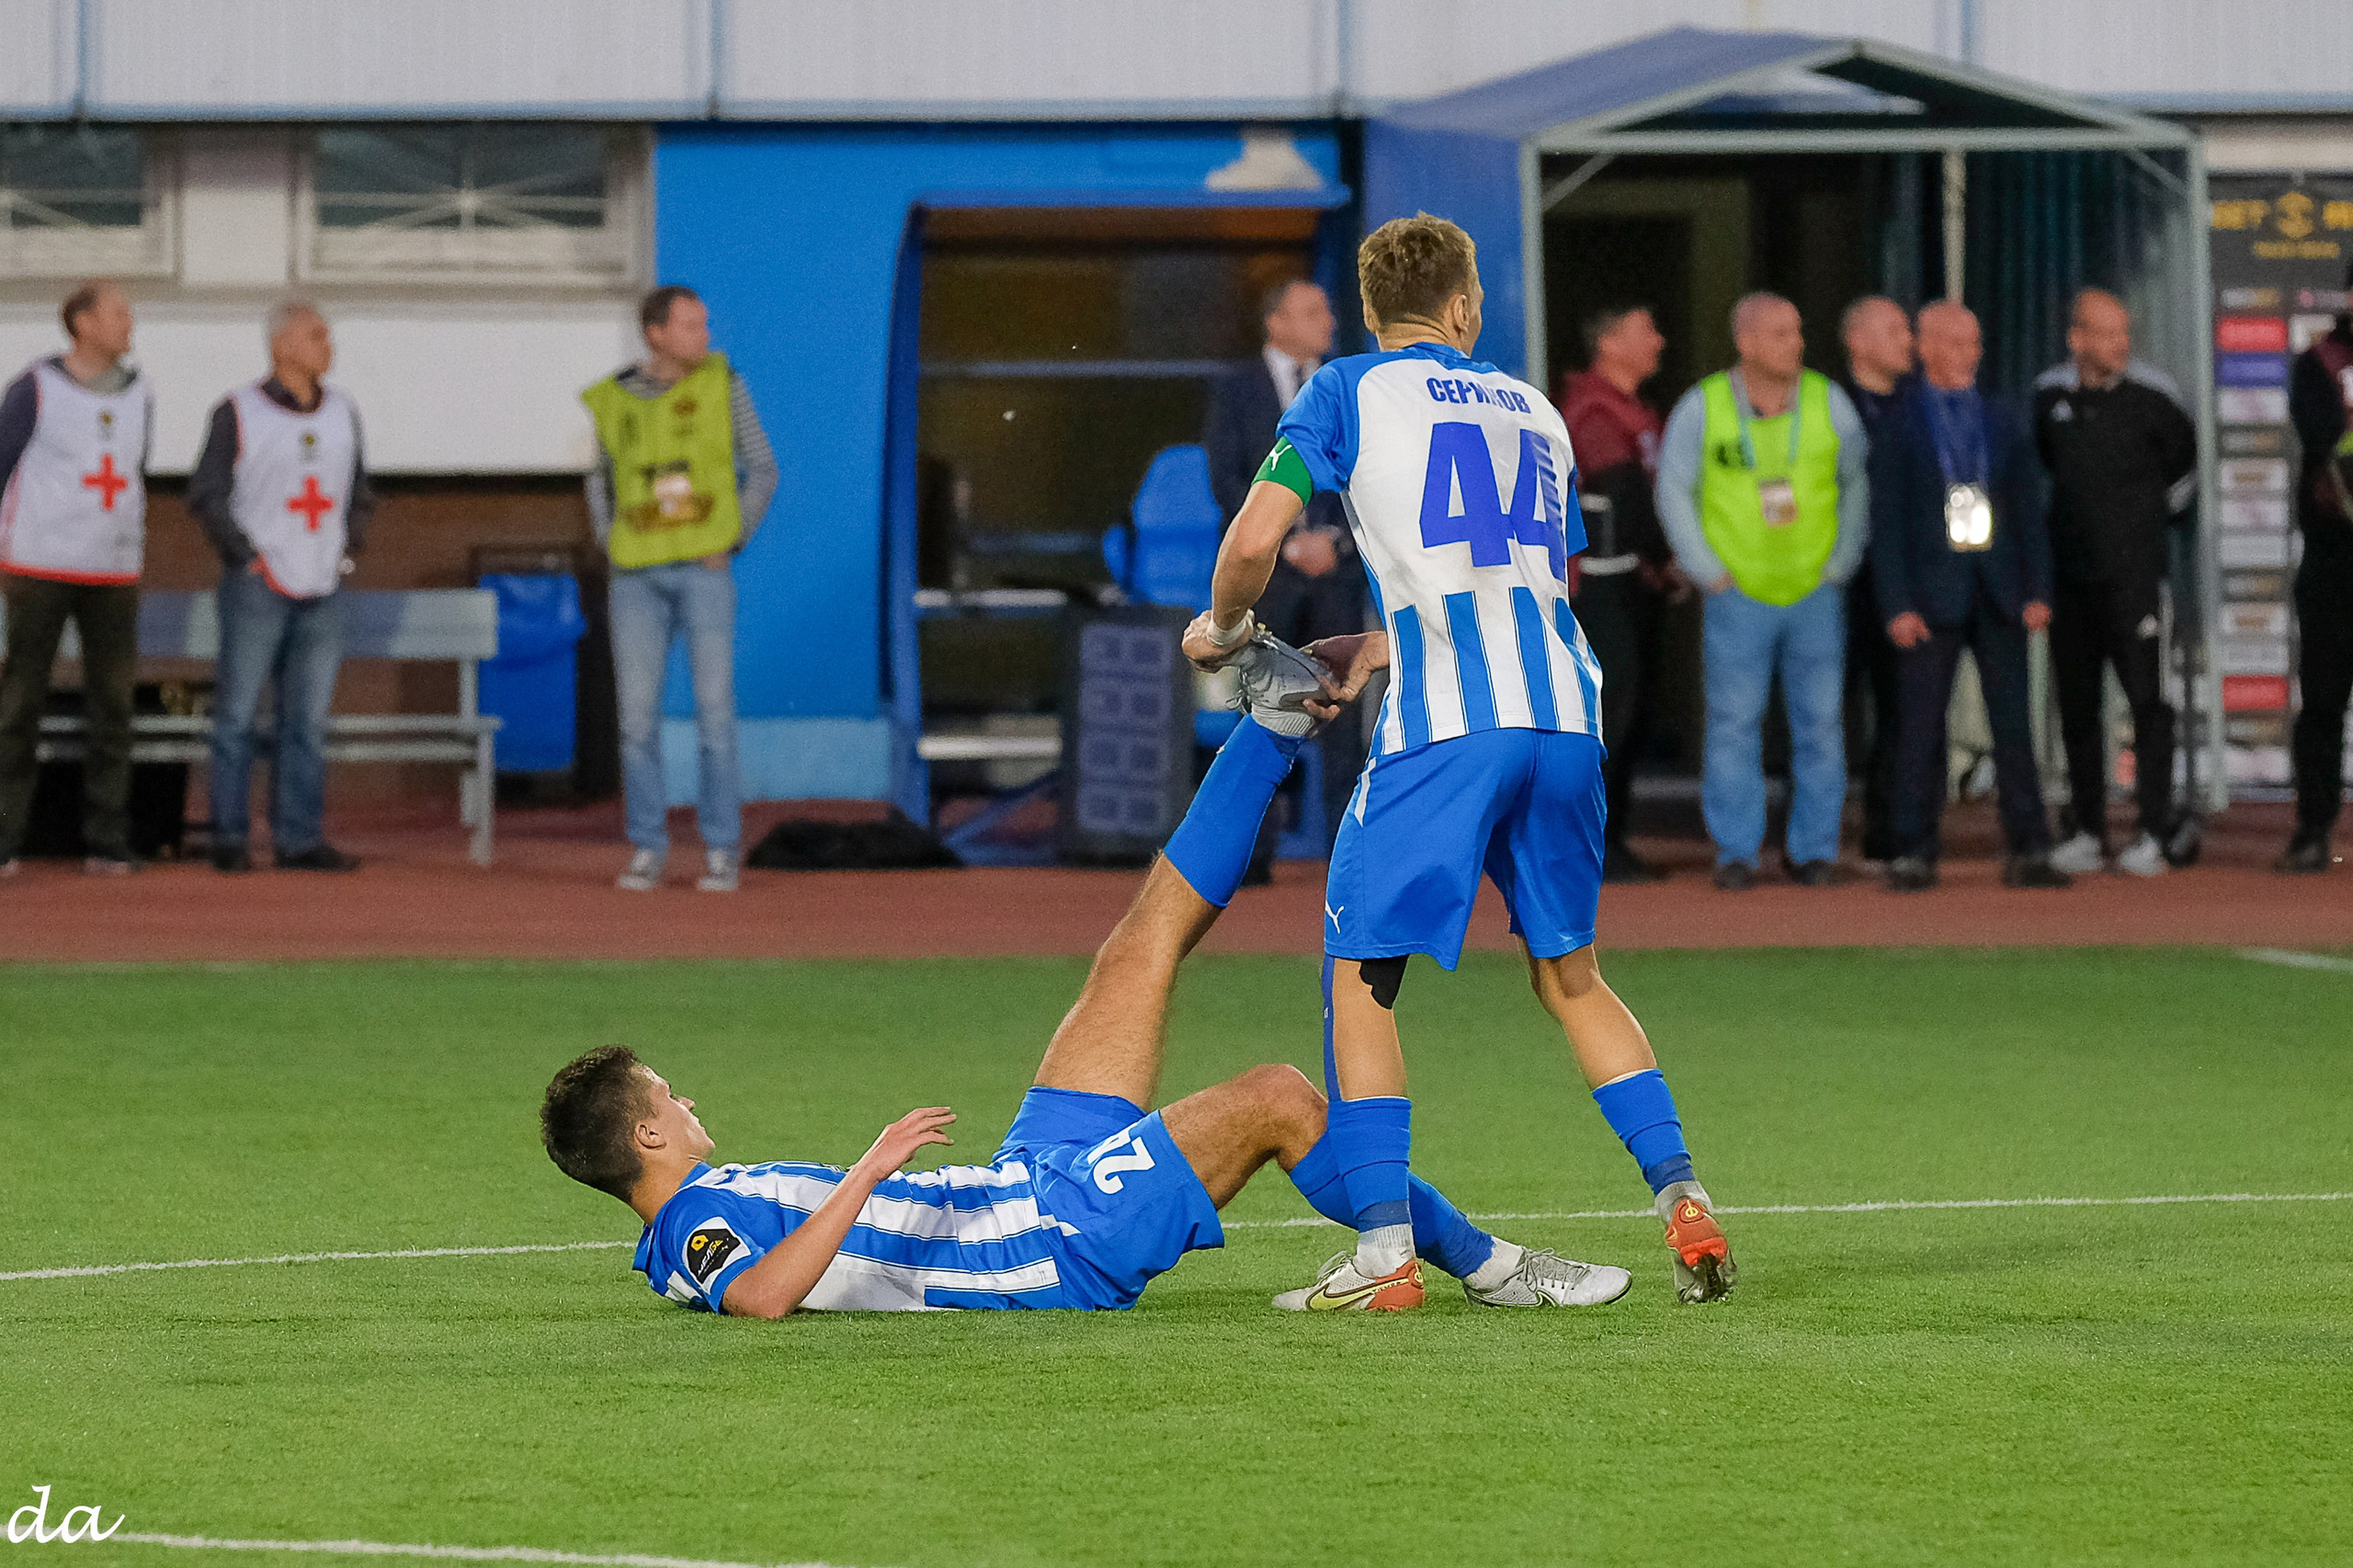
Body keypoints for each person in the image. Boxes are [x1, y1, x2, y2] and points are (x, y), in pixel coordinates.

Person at [542, 667, 1631, 1316]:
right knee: (1278, 1096)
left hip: (1017, 1184)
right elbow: (760, 1297)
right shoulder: (692, 1223)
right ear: (647, 1135)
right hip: (1045, 1239)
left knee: (1135, 948)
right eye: (669, 1096)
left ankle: (1275, 716)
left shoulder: (694, 1207)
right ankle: (1493, 1266)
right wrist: (869, 1165)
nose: (687, 1100)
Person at [1183, 213, 1737, 1312]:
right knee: (1571, 974)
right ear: (1466, 305)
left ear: (1369, 309)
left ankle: (1384, 1255)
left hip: (1446, 727)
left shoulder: (1345, 388)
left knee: (1360, 971)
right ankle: (1684, 1195)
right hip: (1562, 718)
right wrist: (1383, 638)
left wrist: (1226, 626)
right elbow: (1533, 585)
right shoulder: (1535, 410)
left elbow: (1252, 538)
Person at [1657, 292, 1872, 890]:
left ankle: (1814, 851)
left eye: (1797, 331)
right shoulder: (1703, 406)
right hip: (1738, 592)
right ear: (1746, 342)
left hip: (1813, 591)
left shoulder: (1829, 401)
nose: (1796, 343)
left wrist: (1842, 561)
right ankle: (1736, 852)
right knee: (1733, 725)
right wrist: (1705, 568)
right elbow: (1673, 487)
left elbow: (1856, 482)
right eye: (1781, 333)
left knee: (1821, 727)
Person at [582, 285, 779, 894]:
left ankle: (721, 849)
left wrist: (733, 539)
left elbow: (763, 468)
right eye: (692, 326)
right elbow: (598, 478)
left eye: (704, 324)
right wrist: (610, 543)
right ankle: (647, 846)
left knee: (715, 717)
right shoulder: (612, 400)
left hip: (703, 573)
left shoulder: (726, 385)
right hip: (635, 578)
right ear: (656, 333)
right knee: (637, 722)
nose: (705, 336)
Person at [1870, 301, 2068, 892]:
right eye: (1956, 343)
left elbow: (2028, 508)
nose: (1969, 355)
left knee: (2014, 727)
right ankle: (1912, 850)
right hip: (1929, 595)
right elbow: (1887, 522)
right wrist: (1896, 604)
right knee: (1919, 728)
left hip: (1999, 589)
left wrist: (2038, 588)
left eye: (1975, 343)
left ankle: (2030, 846)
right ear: (1926, 347)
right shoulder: (1900, 422)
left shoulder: (2002, 418)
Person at [188, 302, 373, 874]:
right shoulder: (238, 411)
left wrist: (349, 545)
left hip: (324, 584)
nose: (328, 345)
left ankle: (299, 837)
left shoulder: (343, 411)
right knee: (237, 716)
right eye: (316, 335)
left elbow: (358, 489)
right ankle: (230, 836)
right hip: (260, 585)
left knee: (307, 723)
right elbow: (207, 492)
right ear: (282, 345)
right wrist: (245, 557)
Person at [2032, 288, 2199, 878]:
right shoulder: (2048, 398)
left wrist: (2138, 527)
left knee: (2149, 705)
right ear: (2077, 340)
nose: (2120, 343)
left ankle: (2153, 828)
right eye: (2106, 333)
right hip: (2071, 584)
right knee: (2078, 709)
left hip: (2136, 583)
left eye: (2124, 332)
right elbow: (2045, 471)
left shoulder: (2156, 401)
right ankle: (2086, 828)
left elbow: (2184, 477)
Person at [1202, 278, 1363, 858]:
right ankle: (1249, 853)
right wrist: (1287, 543)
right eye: (1313, 311)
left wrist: (1335, 542)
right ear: (1276, 322)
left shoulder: (1346, 388)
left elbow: (1366, 475)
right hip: (1269, 576)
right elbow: (1226, 477)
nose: (1329, 321)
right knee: (1263, 708)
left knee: (1344, 711)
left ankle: (1348, 849)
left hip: (1336, 574)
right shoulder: (1236, 389)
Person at [0, 280, 153, 879]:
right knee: (20, 703)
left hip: (113, 567)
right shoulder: (35, 388)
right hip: (40, 564)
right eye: (118, 313)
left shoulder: (140, 392)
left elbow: (134, 469)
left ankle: (106, 838)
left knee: (113, 704)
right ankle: (5, 836)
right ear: (83, 323)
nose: (129, 323)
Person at [1559, 303, 1681, 883]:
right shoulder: (1594, 410)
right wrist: (1669, 557)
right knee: (1611, 708)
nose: (1659, 340)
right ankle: (1590, 844)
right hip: (1598, 582)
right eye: (1645, 331)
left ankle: (1611, 838)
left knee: (1633, 707)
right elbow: (1622, 493)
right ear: (1609, 343)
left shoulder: (1635, 409)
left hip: (1632, 578)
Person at [1838, 296, 1917, 866]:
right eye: (1894, 330)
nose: (1907, 340)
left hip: (1902, 581)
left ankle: (1890, 829)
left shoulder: (1920, 407)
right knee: (1825, 710)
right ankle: (1811, 837)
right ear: (1857, 342)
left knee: (1902, 707)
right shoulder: (1826, 404)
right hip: (1836, 580)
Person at [2279, 267, 2353, 873]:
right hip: (2334, 558)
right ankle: (2312, 828)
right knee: (2323, 702)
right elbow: (2322, 435)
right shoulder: (2316, 363)